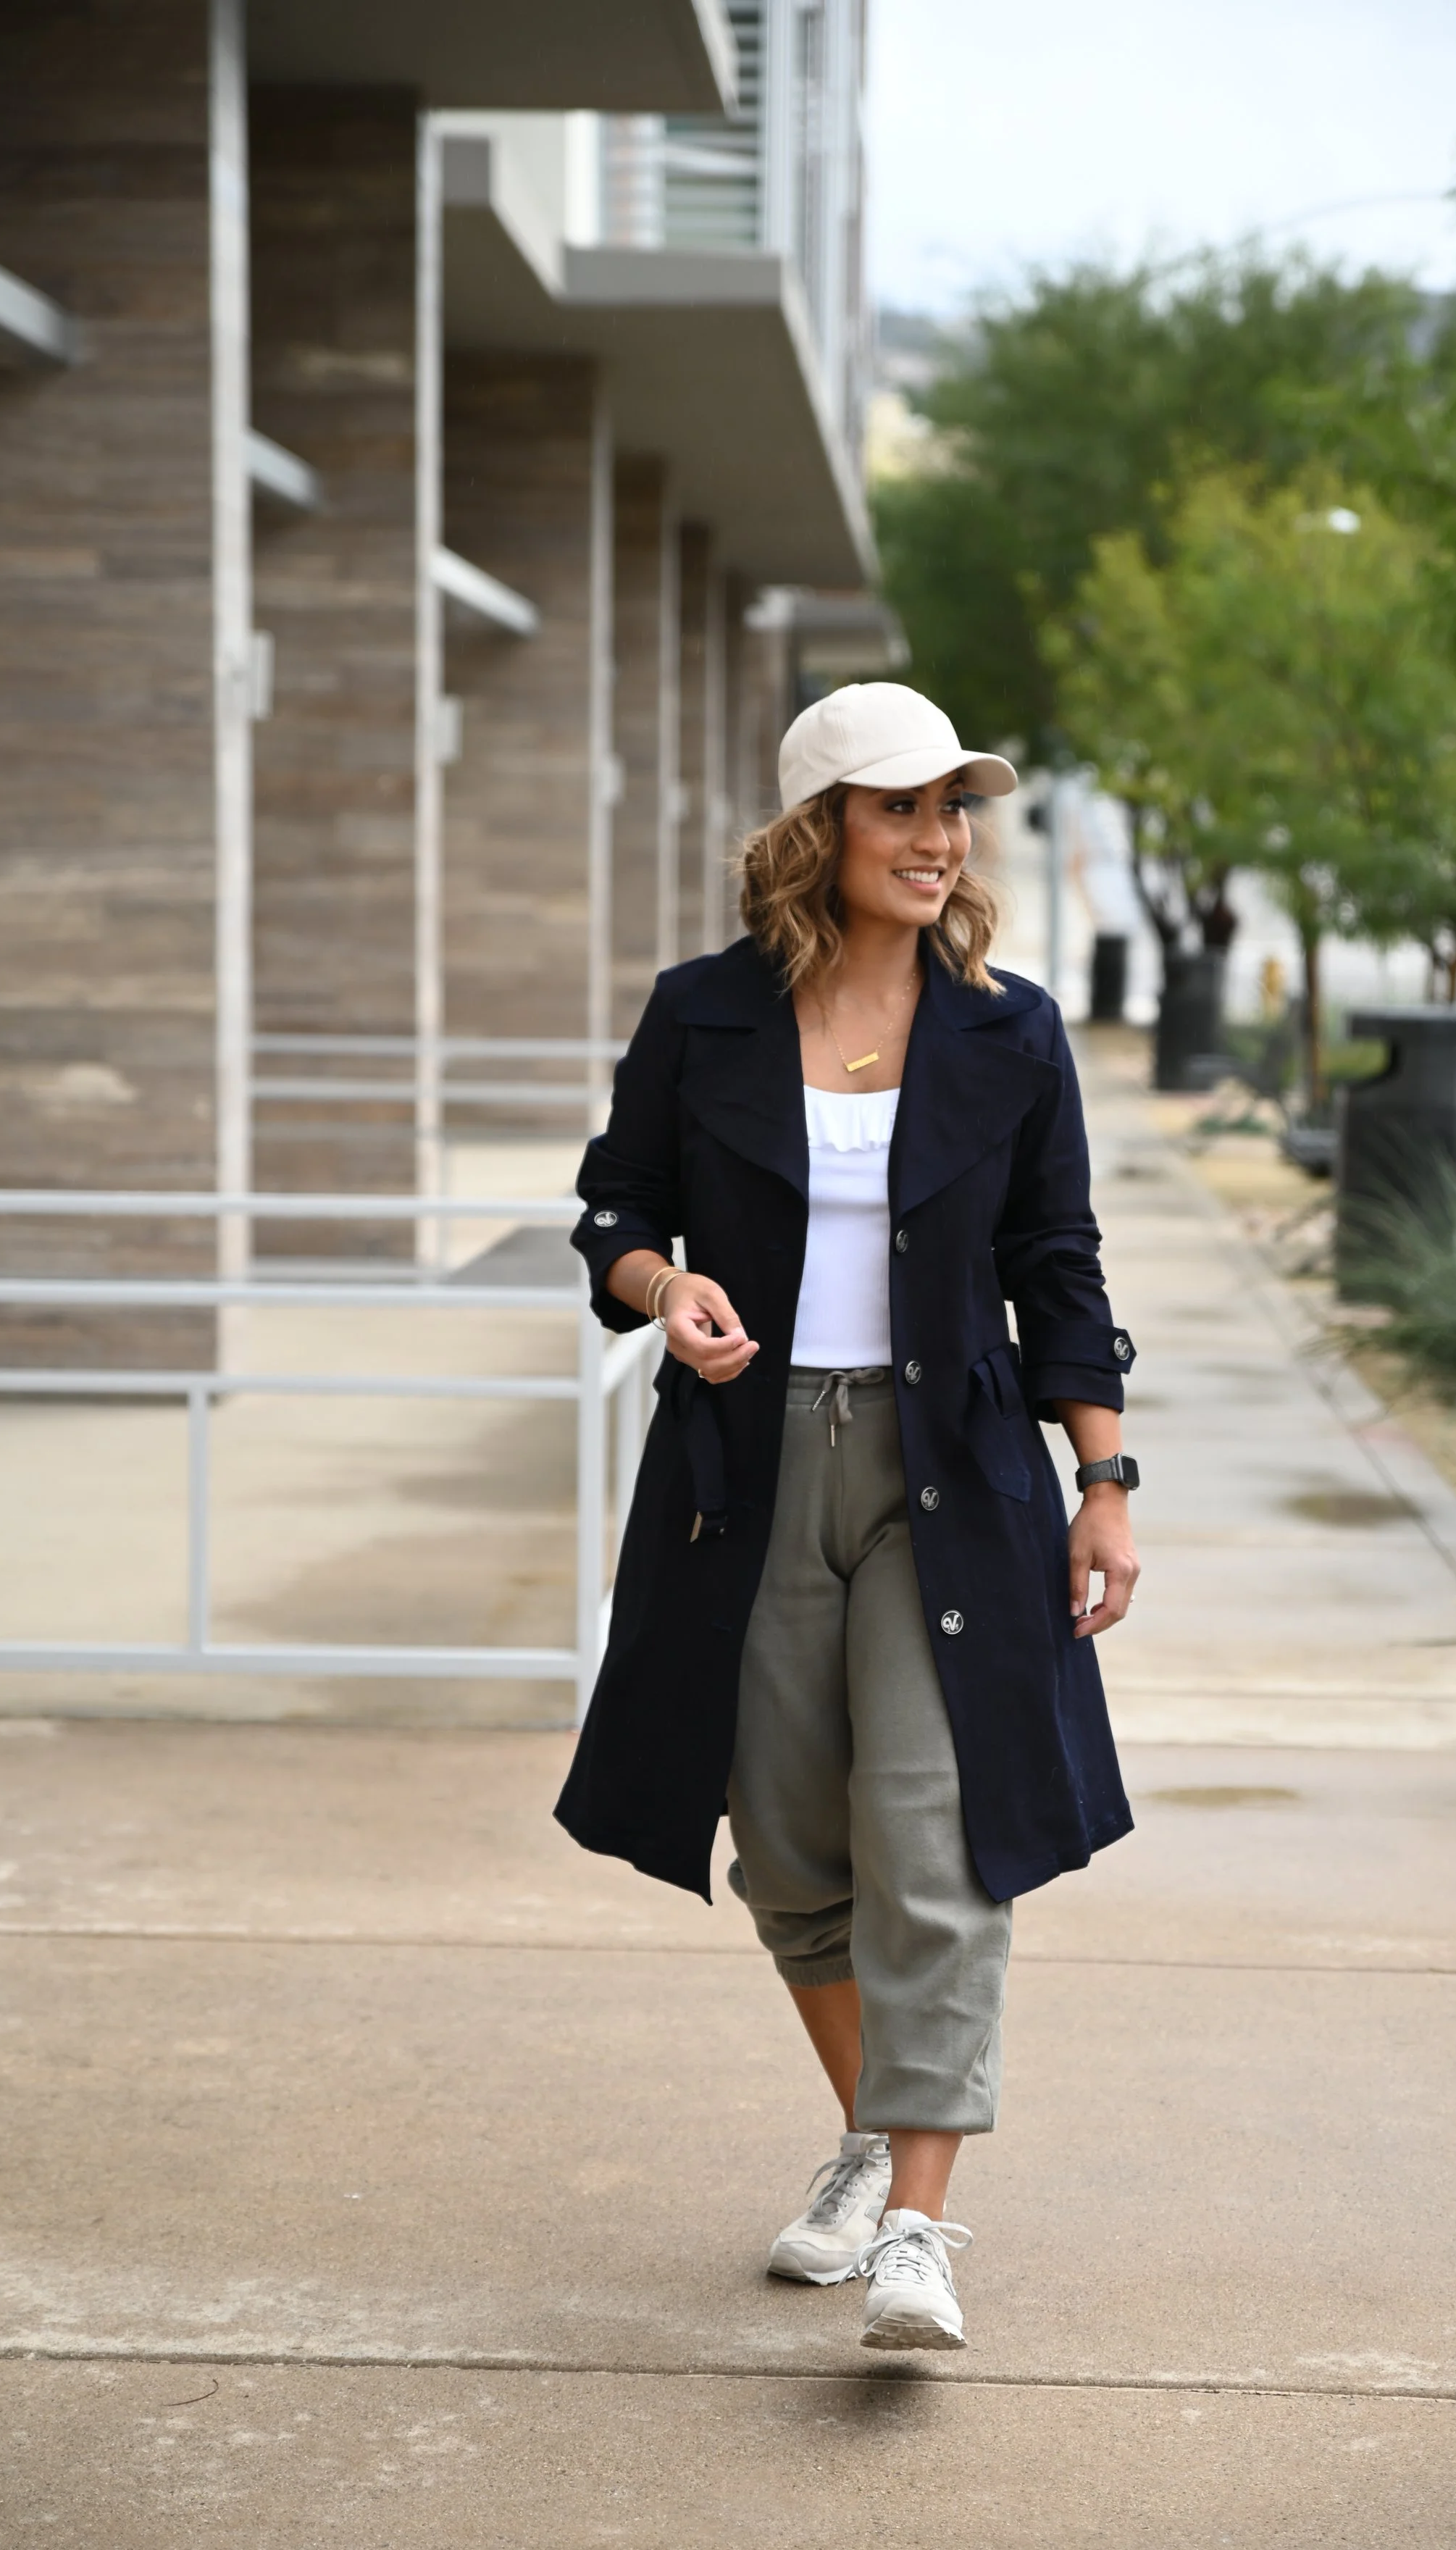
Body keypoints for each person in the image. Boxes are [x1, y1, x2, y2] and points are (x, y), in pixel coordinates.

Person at [556, 681, 1140, 2351]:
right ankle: (876, 2135)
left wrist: (1101, 1481)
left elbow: (1056, 1262)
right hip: (741, 1476)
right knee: (792, 1848)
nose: (938, 838)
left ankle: (915, 2233)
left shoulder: (1009, 1032)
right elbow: (614, 1206)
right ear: (819, 830)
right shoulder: (702, 1014)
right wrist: (662, 1289)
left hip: (949, 1473)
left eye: (953, 808)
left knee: (935, 1834)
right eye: (902, 808)